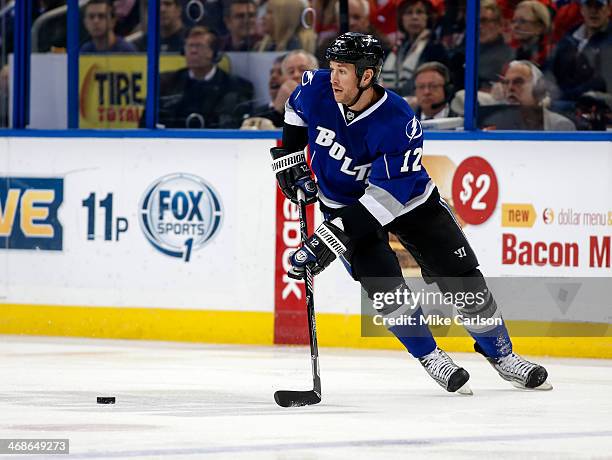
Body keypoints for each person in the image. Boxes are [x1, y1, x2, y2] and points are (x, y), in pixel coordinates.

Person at [270, 32, 552, 393]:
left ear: (367, 75)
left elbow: (386, 199)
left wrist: (330, 236)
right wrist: (291, 160)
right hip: (342, 205)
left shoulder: (398, 121)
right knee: (386, 290)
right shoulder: (317, 86)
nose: (334, 77)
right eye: (333, 68)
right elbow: (295, 110)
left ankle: (502, 356)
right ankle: (431, 355)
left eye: (343, 71)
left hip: (409, 202)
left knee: (464, 280)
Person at [151, 26, 254, 128]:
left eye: (199, 46)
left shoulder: (236, 87)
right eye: (190, 46)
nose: (193, 51)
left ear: (214, 53)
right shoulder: (167, 83)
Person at [380, 0, 448, 97]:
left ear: (428, 17)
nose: (414, 17)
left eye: (419, 12)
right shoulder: (395, 49)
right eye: (409, 12)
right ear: (401, 18)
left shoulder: (436, 49)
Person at [550, 0, 611, 102]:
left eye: (599, 6)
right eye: (589, 6)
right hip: (561, 99)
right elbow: (552, 67)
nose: (593, 11)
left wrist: (561, 97)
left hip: (590, 104)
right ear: (582, 9)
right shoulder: (570, 36)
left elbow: (600, 81)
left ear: (608, 9)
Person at [315, 0, 391, 67]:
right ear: (337, 21)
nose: (351, 23)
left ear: (367, 20)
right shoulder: (326, 49)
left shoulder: (382, 47)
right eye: (346, 18)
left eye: (356, 17)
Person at [479, 0, 513, 91]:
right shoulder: (464, 52)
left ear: (499, 25)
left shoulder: (509, 56)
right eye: (474, 21)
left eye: (484, 20)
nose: (479, 26)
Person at [510, 1, 552, 68]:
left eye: (522, 21)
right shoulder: (513, 53)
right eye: (514, 21)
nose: (515, 26)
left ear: (539, 27)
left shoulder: (551, 57)